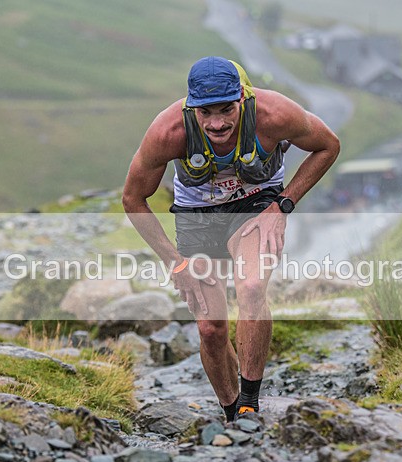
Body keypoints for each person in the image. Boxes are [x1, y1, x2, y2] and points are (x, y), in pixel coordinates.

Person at [122, 56, 339, 422]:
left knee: (252, 287)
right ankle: (231, 413)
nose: (217, 122)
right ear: (192, 107)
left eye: (226, 109)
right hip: (198, 216)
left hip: (256, 205)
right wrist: (175, 261)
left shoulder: (274, 114)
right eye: (206, 113)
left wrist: (282, 206)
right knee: (211, 328)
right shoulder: (167, 132)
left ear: (242, 97)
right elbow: (132, 198)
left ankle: (250, 405)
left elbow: (328, 145)